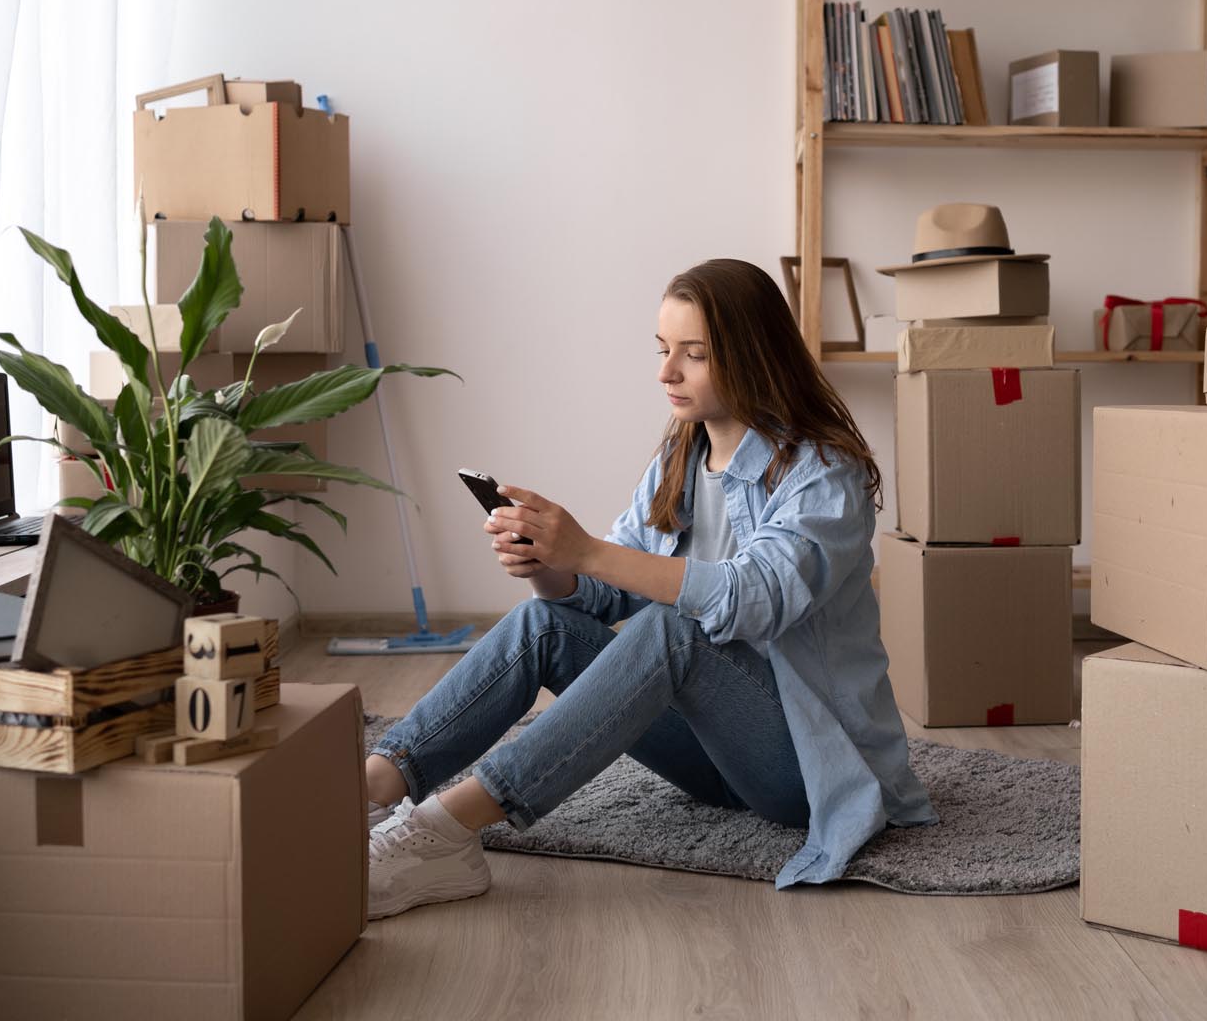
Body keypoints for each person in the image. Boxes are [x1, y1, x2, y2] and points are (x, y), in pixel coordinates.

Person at [364, 258, 936, 919]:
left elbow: (750, 601)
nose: (666, 372)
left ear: (755, 355)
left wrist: (588, 550)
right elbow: (609, 591)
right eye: (665, 351)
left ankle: (445, 829)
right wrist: (549, 564)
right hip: (714, 757)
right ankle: (374, 789)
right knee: (542, 622)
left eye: (694, 355)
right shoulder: (679, 459)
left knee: (671, 628)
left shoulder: (823, 475)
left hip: (809, 769)